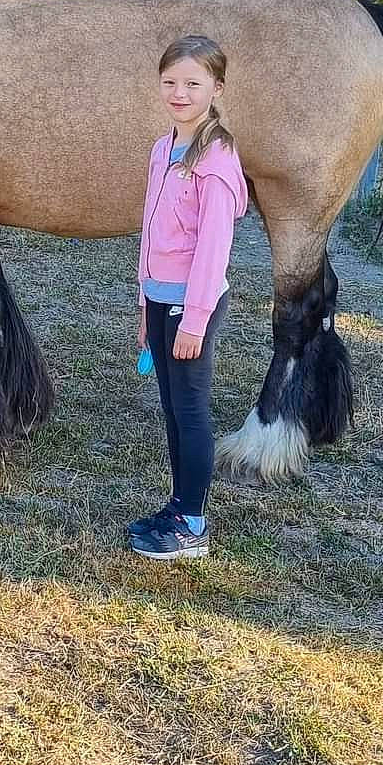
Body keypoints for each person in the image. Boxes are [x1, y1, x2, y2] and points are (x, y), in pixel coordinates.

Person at [130, 35, 248, 561]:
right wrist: (143, 305)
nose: (180, 93)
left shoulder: (216, 159)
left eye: (193, 84)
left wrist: (194, 320)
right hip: (160, 300)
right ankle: (177, 506)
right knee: (172, 409)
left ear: (215, 88)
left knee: (192, 409)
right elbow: (152, 230)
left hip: (190, 305)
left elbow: (212, 249)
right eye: (171, 82)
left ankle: (193, 525)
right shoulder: (163, 148)